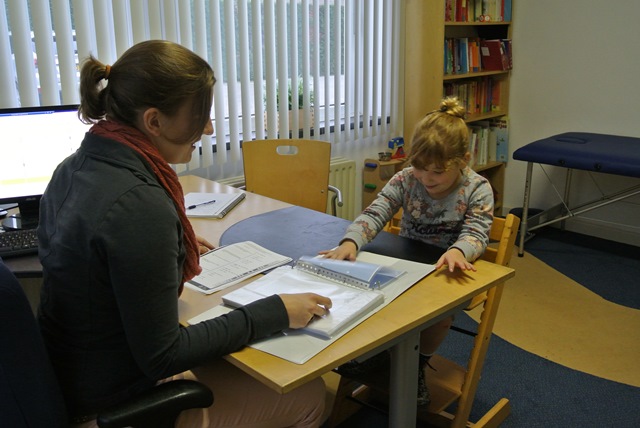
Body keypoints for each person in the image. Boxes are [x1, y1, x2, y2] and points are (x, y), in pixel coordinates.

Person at [37, 40, 332, 428]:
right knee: (312, 396)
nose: (208, 128)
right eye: (199, 116)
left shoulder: (74, 167)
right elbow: (163, 356)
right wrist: (275, 311)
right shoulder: (138, 204)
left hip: (75, 377)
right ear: (154, 121)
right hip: (113, 405)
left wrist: (168, 248)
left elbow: (103, 260)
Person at [320, 97, 494, 407]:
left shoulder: (477, 189)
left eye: (438, 172)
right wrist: (350, 242)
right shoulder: (405, 179)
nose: (426, 178)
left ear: (463, 160)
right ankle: (380, 355)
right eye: (419, 167)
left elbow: (477, 233)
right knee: (371, 298)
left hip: (449, 272)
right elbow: (376, 212)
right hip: (407, 266)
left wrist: (459, 251)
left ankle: (415, 364)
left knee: (437, 317)